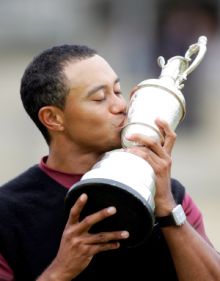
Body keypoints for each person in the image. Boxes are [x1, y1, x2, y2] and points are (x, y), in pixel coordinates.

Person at [0, 44, 220, 281]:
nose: (120, 106)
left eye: (117, 91)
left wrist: (167, 209)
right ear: (52, 118)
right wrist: (61, 270)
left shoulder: (169, 193)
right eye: (99, 98)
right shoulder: (9, 213)